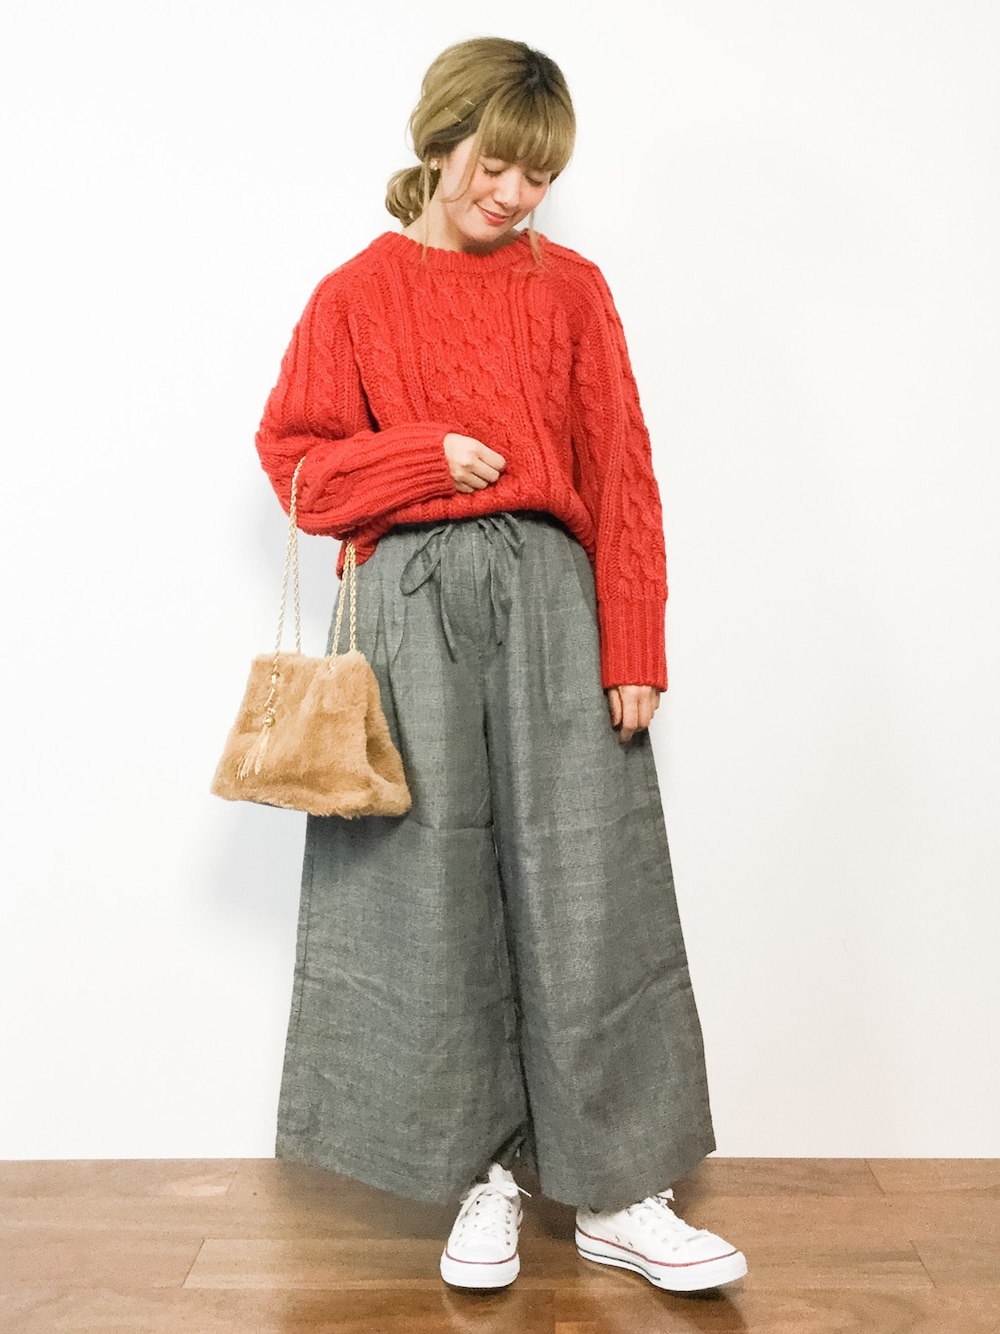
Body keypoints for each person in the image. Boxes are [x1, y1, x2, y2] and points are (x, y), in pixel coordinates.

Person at [254, 37, 746, 1294]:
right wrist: (420, 455)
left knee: (591, 879)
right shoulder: (353, 295)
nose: (514, 194)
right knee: (423, 887)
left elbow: (621, 470)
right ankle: (482, 1171)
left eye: (538, 176)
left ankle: (618, 1188)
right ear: (439, 142)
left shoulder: (570, 291)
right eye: (496, 163)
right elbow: (296, 469)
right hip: (403, 610)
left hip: (551, 602)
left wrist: (635, 637)